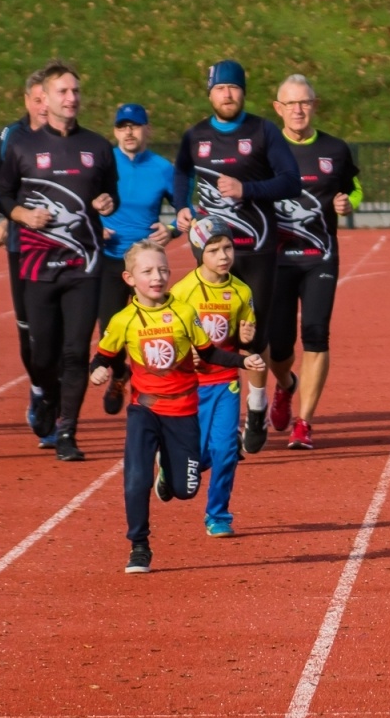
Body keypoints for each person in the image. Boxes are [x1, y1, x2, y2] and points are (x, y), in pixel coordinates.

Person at [92, 240, 265, 572]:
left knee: (185, 490)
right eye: (147, 272)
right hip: (145, 408)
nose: (157, 277)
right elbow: (103, 357)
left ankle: (169, 472)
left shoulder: (185, 313)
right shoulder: (123, 320)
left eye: (163, 270)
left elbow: (212, 353)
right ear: (130, 279)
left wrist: (244, 360)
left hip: (184, 409)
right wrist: (98, 370)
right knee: (136, 477)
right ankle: (139, 546)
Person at [173, 59, 302, 453]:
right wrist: (180, 205)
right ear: (209, 93)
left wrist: (247, 190)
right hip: (211, 252)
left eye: (233, 88)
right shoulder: (195, 135)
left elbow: (291, 181)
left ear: (243, 92)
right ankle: (216, 420)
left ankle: (257, 407)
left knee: (253, 336)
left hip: (257, 248)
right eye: (220, 88)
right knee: (211, 334)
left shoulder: (262, 131)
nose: (227, 94)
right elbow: (181, 173)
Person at [0, 62, 120, 462]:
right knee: (42, 353)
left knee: (74, 350)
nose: (71, 98)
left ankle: (67, 431)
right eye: (63, 92)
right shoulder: (21, 145)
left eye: (76, 92)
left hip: (84, 265)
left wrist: (107, 203)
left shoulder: (98, 146)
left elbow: (109, 194)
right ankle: (46, 395)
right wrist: (21, 216)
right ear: (44, 99)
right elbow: (2, 195)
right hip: (37, 266)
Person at [268, 74, 360, 451]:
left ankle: (304, 422)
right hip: (276, 260)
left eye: (304, 102)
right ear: (278, 109)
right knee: (277, 346)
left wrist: (348, 202)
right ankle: (287, 384)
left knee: (317, 332)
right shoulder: (266, 150)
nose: (298, 110)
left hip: (320, 255)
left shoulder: (335, 149)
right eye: (290, 104)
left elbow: (353, 187)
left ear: (314, 105)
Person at [168, 217, 259, 537]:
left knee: (225, 450)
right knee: (199, 454)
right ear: (198, 253)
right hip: (191, 384)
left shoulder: (241, 290)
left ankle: (218, 514)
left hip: (225, 381)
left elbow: (243, 336)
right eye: (214, 250)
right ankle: (172, 467)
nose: (224, 256)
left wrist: (247, 337)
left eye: (228, 248)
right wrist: (185, 352)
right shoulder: (182, 291)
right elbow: (169, 335)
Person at [0, 69, 46, 440]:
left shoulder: (75, 139)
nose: (44, 107)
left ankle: (59, 413)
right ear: (27, 101)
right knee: (29, 330)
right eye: (37, 99)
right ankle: (38, 390)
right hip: (23, 246)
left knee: (65, 333)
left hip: (69, 249)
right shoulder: (10, 137)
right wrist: (9, 213)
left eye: (48, 98)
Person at [100, 103, 176, 415]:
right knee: (110, 328)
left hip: (146, 264)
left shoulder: (162, 168)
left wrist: (171, 229)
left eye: (135, 126)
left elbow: (190, 210)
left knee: (152, 330)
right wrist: (94, 225)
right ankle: (120, 374)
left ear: (148, 129)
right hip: (109, 258)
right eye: (122, 126)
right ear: (115, 131)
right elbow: (80, 201)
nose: (128, 132)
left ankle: (152, 390)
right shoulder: (103, 163)